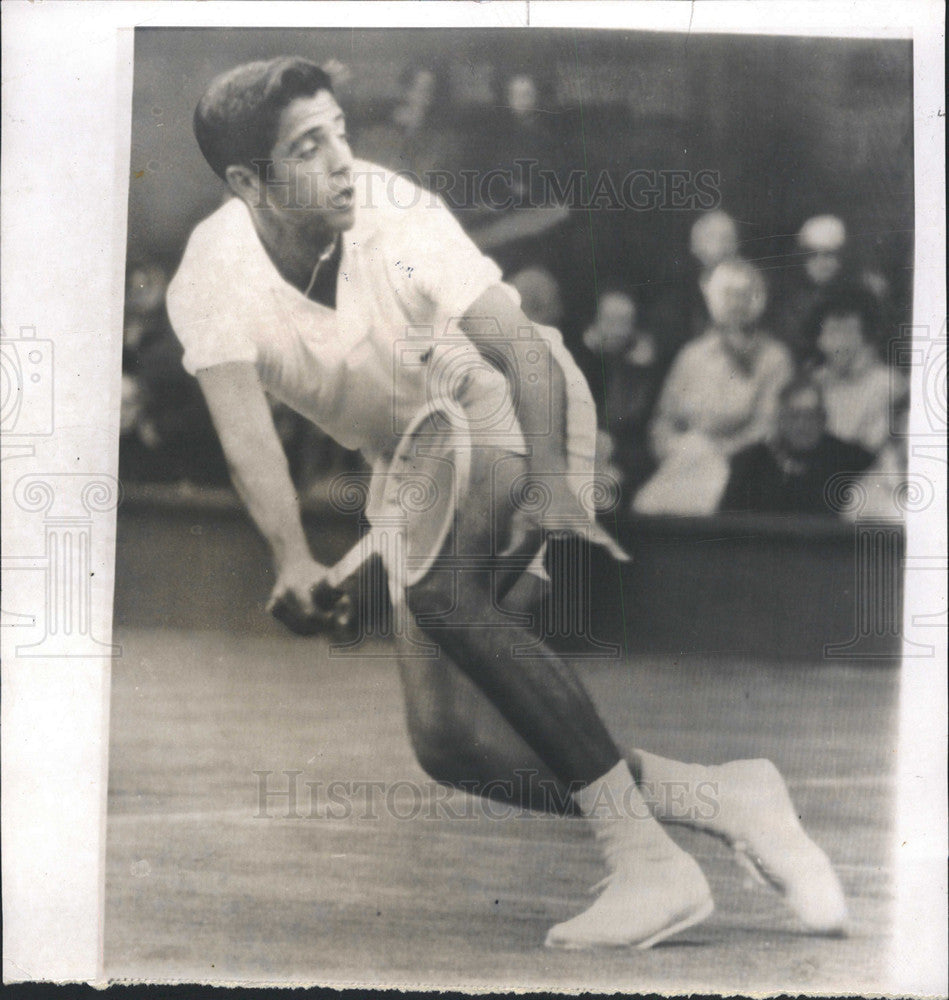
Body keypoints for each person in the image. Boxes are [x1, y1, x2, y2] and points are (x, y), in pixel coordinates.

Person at [166, 56, 846, 949]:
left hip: (510, 393)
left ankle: (647, 863)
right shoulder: (208, 276)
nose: (340, 159)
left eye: (339, 130)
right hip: (411, 457)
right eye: (307, 146)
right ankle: (724, 797)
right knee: (452, 744)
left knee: (448, 597)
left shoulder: (396, 214)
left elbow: (520, 353)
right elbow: (244, 428)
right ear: (247, 182)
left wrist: (551, 488)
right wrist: (290, 555)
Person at [635, 260, 794, 515]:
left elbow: (767, 427)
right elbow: (663, 419)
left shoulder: (775, 357)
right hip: (685, 459)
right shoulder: (692, 355)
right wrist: (675, 448)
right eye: (729, 295)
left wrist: (716, 452)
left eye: (745, 295)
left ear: (759, 300)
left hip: (738, 467)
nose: (737, 304)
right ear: (715, 301)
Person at [720, 377, 874, 516]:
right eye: (793, 415)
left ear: (824, 419)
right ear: (780, 419)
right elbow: (727, 529)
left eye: (810, 416)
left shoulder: (851, 460)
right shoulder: (750, 463)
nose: (802, 425)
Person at [811, 287, 908, 457]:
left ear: (862, 335)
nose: (823, 343)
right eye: (824, 332)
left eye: (835, 332)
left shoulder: (889, 385)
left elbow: (868, 454)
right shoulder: (819, 380)